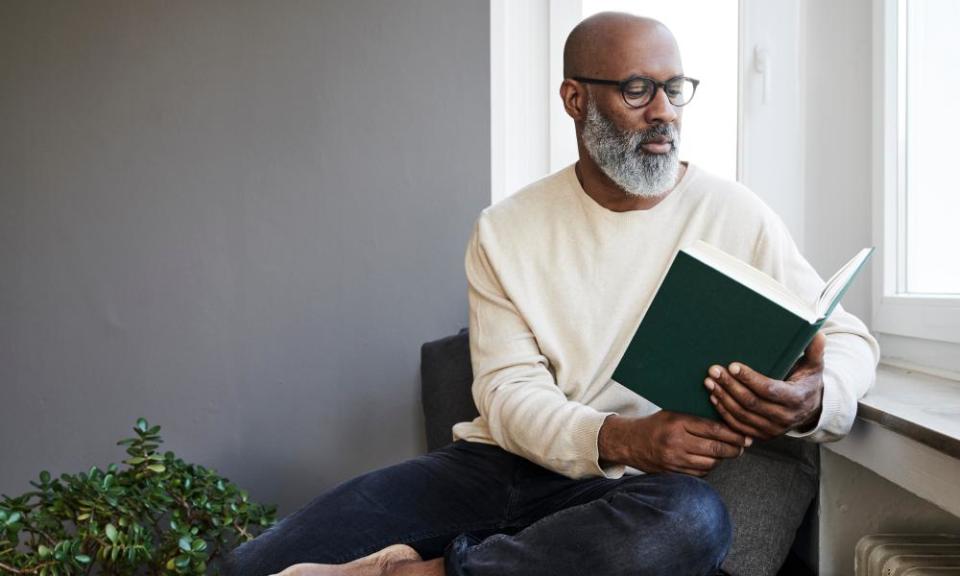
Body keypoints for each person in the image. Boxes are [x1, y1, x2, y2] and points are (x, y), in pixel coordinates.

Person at [226, 12, 878, 576]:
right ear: (574, 98)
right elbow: (508, 394)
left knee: (691, 521)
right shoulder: (506, 229)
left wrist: (812, 397)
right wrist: (623, 437)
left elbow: (846, 338)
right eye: (636, 89)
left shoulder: (736, 214)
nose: (664, 112)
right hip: (491, 467)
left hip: (625, 496)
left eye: (675, 89)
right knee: (253, 563)